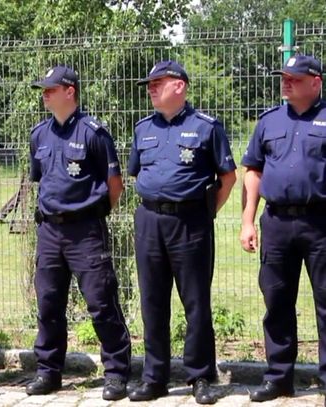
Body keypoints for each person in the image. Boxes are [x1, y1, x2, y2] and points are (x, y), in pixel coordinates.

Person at [127, 60, 236, 404]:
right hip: (149, 220)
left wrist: (203, 213)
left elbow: (228, 177)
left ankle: (200, 376)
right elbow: (135, 174)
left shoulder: (206, 127)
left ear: (180, 86)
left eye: (158, 82)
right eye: (150, 83)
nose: (151, 88)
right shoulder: (143, 128)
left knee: (196, 302)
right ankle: (154, 377)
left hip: (191, 223)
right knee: (152, 302)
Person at [26, 65, 131, 401]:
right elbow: (39, 180)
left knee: (101, 303)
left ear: (69, 91)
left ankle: (116, 373)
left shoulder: (93, 132)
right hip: (50, 232)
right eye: (43, 89)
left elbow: (115, 185)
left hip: (85, 232)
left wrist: (92, 214)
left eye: (50, 89)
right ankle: (48, 371)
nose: (44, 94)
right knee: (48, 304)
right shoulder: (39, 134)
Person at [240, 54, 326, 402]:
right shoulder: (269, 121)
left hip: (320, 222)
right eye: (284, 76)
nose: (286, 81)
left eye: (294, 77)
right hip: (276, 223)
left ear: (316, 81)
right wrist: (247, 220)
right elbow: (253, 171)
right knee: (276, 301)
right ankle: (279, 377)